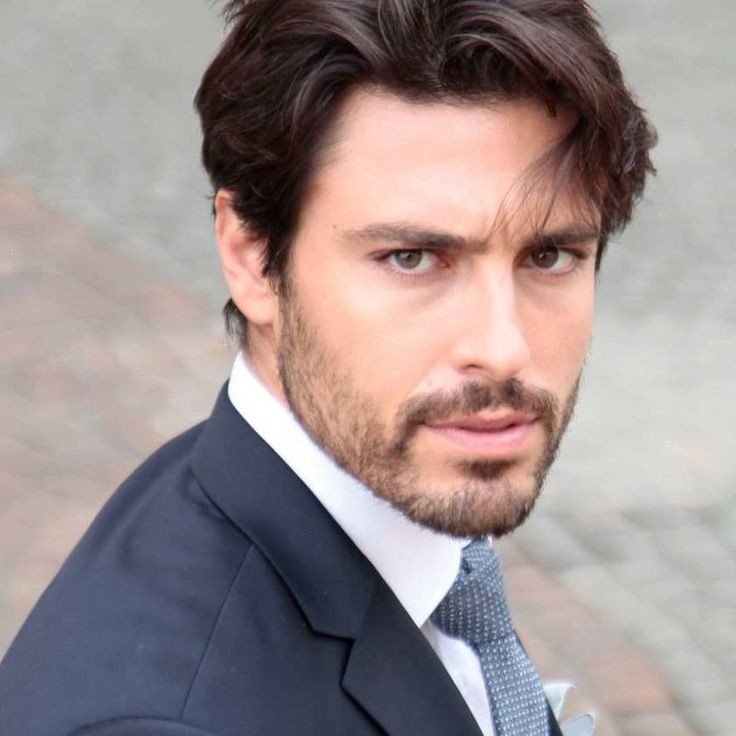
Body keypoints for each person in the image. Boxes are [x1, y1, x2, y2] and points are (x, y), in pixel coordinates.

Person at [0, 1, 655, 734]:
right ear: (252, 258)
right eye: (412, 259)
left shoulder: (385, 533)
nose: (503, 349)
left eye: (550, 255)